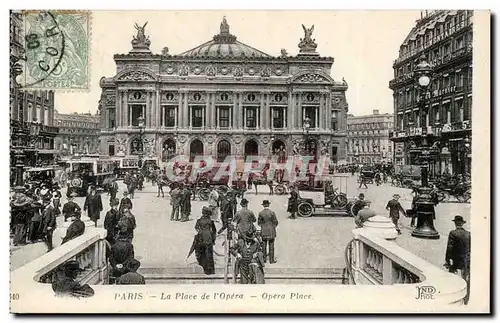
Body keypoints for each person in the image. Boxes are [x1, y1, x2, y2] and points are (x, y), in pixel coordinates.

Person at [445, 215, 470, 304]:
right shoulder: (468, 234)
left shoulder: (453, 233)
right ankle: (466, 298)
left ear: (455, 223)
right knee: (465, 277)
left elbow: (450, 248)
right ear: (462, 224)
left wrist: (447, 260)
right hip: (465, 259)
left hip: (455, 260)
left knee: (452, 278)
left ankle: (453, 295)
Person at [194, 206, 217, 275]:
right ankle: (211, 270)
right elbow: (214, 231)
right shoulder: (211, 221)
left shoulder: (199, 220)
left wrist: (200, 231)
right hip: (209, 239)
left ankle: (204, 268)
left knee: (202, 254)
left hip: (201, 239)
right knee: (209, 255)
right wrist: (213, 240)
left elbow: (196, 227)